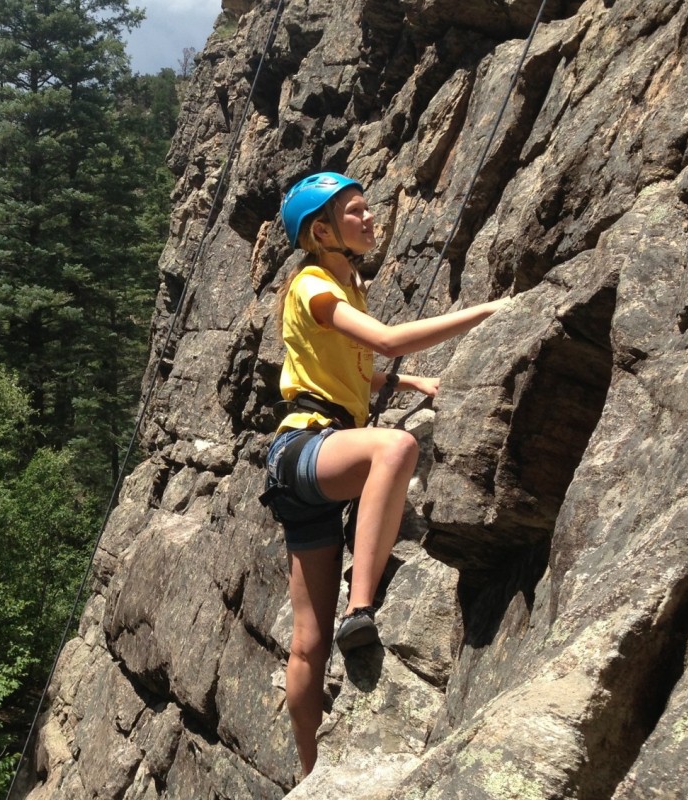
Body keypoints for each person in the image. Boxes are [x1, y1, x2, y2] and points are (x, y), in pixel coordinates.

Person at [262, 172, 508, 776]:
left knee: (307, 644)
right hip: (308, 447)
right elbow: (389, 340)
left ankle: (308, 771)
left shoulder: (342, 289)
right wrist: (490, 310)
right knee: (395, 449)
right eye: (357, 213)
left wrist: (405, 382)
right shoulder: (314, 285)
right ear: (322, 232)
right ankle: (362, 608)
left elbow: (352, 366)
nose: (371, 220)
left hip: (303, 465)